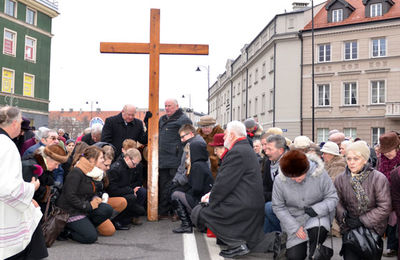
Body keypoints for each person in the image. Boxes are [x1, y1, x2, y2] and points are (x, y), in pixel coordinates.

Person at [191, 121, 265, 258]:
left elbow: (224, 184)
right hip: (247, 201)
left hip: (244, 204)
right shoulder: (244, 149)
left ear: (231, 135)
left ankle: (237, 245)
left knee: (201, 212)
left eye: (225, 135)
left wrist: (211, 200)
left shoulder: (237, 152)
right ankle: (236, 243)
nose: (223, 138)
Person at [272, 150, 338, 260]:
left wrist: (317, 209)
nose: (296, 180)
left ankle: (314, 252)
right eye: (292, 178)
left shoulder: (320, 174)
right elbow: (278, 206)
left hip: (317, 217)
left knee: (318, 230)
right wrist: (294, 227)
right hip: (294, 219)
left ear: (306, 169)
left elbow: (332, 197)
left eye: (299, 176)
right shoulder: (280, 180)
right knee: (295, 256)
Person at [0, 106, 47, 260]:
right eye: (20, 123)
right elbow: (8, 189)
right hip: (5, 211)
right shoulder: (6, 145)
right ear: (13, 123)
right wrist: (32, 187)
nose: (21, 128)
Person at [334, 141, 391, 259]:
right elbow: (336, 201)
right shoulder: (340, 179)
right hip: (349, 229)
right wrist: (344, 217)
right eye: (349, 159)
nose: (351, 162)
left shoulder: (378, 178)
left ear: (365, 160)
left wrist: (362, 220)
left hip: (372, 230)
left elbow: (384, 207)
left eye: (356, 159)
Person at [57, 146, 114, 244]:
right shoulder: (76, 172)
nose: (103, 160)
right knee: (91, 237)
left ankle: (86, 225)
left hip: (85, 207)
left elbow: (93, 191)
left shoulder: (91, 172)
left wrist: (95, 198)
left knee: (107, 209)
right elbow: (69, 196)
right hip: (71, 211)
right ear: (92, 159)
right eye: (101, 158)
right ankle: (67, 231)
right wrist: (87, 206)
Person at [158, 99, 192, 219]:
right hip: (162, 160)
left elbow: (189, 138)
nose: (167, 108)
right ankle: (164, 211)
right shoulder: (162, 120)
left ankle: (177, 212)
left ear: (177, 106)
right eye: (165, 106)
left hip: (175, 160)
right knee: (163, 186)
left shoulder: (183, 119)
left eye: (170, 106)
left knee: (174, 186)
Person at [171, 140, 214, 233]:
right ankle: (191, 221)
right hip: (205, 202)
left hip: (201, 202)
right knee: (181, 193)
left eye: (188, 154)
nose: (186, 156)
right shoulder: (203, 164)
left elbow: (197, 189)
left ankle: (186, 224)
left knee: (175, 195)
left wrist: (188, 194)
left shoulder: (196, 166)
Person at [106, 148, 146, 230]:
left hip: (124, 192)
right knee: (132, 198)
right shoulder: (116, 169)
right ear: (127, 158)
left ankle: (125, 219)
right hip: (114, 196)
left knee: (141, 209)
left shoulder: (128, 167)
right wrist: (131, 191)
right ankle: (116, 220)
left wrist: (133, 189)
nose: (135, 167)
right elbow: (112, 190)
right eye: (134, 164)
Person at [22, 144, 68, 212]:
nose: (57, 167)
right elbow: (26, 193)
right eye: (56, 164)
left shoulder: (44, 166)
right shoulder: (32, 167)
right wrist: (48, 191)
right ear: (48, 159)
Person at [377, 132, 400, 257]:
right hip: (385, 196)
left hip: (398, 196)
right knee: (389, 223)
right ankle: (391, 246)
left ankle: (393, 247)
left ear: (397, 147)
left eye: (390, 150)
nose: (387, 153)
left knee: (395, 221)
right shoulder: (381, 161)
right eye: (385, 151)